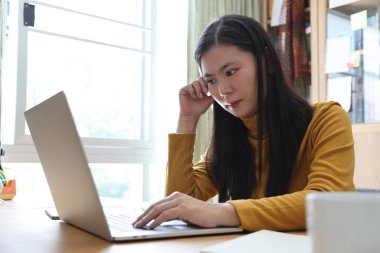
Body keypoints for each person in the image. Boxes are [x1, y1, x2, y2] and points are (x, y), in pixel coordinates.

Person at [133, 14, 355, 231]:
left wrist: (224, 212)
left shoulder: (326, 119)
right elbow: (178, 204)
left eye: (231, 72)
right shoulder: (230, 138)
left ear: (266, 62)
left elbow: (326, 201)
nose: (223, 91)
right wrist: (187, 119)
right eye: (211, 80)